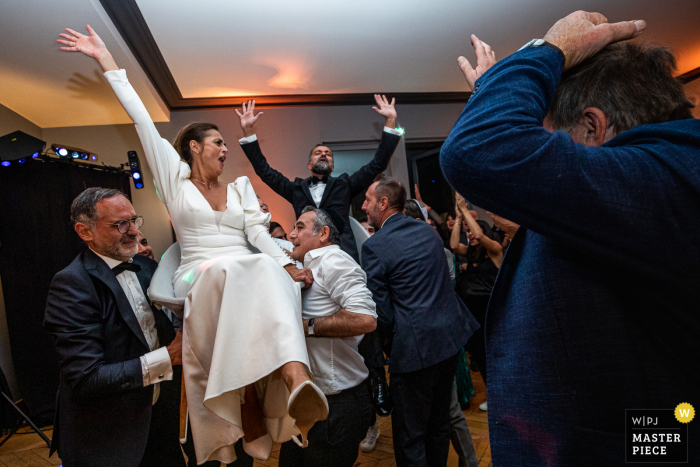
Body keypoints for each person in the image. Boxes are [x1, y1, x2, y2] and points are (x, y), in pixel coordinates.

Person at [58, 26, 328, 464]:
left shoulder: (241, 188)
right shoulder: (173, 181)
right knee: (235, 270)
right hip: (196, 271)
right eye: (219, 142)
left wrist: (286, 263)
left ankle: (296, 380)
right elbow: (142, 120)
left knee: (262, 269)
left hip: (243, 268)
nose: (226, 149)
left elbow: (258, 236)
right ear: (195, 147)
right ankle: (245, 414)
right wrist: (108, 62)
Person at [440, 11, 700, 465]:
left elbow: (476, 151)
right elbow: (526, 201)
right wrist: (492, 96)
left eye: (551, 137)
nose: (545, 152)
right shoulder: (650, 181)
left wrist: (552, 48)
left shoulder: (665, 177)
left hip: (646, 443)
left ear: (592, 128)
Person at [236, 99, 398, 418]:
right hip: (307, 263)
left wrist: (391, 124)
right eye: (318, 153)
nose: (323, 155)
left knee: (362, 311)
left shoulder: (345, 184)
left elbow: (378, 161)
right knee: (313, 317)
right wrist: (249, 132)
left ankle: (378, 376)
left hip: (341, 256)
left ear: (332, 165)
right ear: (309, 164)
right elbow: (265, 172)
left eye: (328, 153)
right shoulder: (296, 188)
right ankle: (313, 381)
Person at [44, 188, 183, 467]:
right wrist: (168, 357)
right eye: (120, 224)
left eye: (134, 220)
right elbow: (86, 378)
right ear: (85, 231)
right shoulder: (72, 284)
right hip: (108, 437)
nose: (133, 231)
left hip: (157, 420)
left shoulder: (146, 267)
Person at [361, 177, 480, 466]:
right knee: (439, 423)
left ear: (384, 203)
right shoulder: (428, 233)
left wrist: (389, 344)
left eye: (367, 200)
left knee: (411, 434)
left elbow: (383, 311)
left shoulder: (374, 245)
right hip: (449, 340)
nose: (364, 206)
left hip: (415, 349)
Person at [277, 207, 377, 466]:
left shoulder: (334, 260)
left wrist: (305, 326)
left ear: (323, 233)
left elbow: (365, 318)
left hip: (338, 405)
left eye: (299, 227)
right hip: (313, 399)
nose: (291, 234)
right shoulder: (308, 268)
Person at [404, 198, 478, 467]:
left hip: (441, 337)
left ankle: (470, 461)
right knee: (441, 410)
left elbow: (444, 291)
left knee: (451, 409)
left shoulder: (436, 248)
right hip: (427, 340)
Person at [451, 193, 503, 412]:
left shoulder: (495, 251)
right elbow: (454, 245)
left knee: (495, 356)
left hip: (491, 313)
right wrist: (457, 217)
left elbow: (481, 237)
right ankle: (495, 396)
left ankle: (504, 395)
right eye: (468, 231)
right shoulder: (470, 253)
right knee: (480, 357)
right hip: (472, 314)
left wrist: (464, 210)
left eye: (471, 231)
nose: (470, 235)